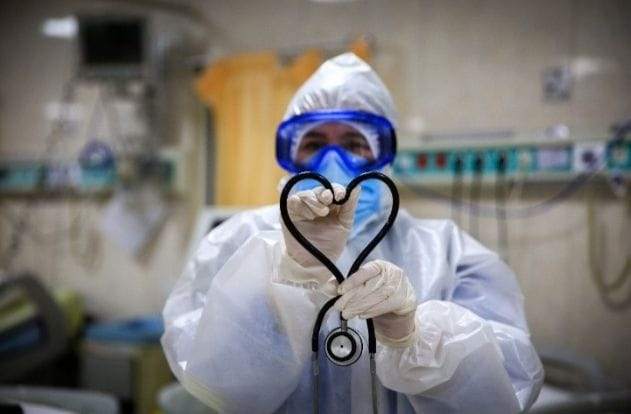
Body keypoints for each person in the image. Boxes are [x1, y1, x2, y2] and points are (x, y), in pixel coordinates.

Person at [161, 53, 544, 414]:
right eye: (313, 144)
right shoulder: (235, 242)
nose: (333, 162)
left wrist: (412, 336)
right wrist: (291, 274)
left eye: (353, 144)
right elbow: (215, 383)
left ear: (384, 154)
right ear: (290, 156)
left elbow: (502, 390)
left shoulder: (449, 252)